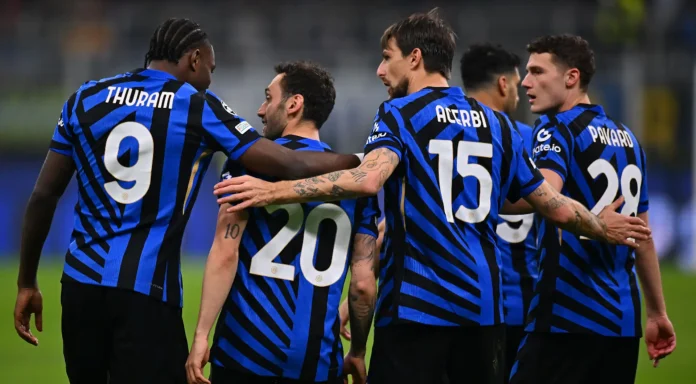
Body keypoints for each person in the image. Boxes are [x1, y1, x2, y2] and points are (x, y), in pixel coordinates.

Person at [213, 10, 650, 384]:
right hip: (486, 315)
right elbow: (548, 203)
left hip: (418, 309)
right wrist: (598, 224)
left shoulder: (400, 114)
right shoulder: (496, 123)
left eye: (388, 59)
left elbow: (368, 180)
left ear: (416, 58)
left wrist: (275, 189)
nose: (381, 72)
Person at [13, 18, 361, 384]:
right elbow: (288, 161)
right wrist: (360, 162)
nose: (210, 78)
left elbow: (43, 196)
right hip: (148, 291)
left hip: (80, 287)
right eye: (210, 68)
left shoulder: (85, 97)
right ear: (194, 59)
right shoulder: (197, 106)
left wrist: (26, 282)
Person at [185, 61, 379, 384]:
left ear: (294, 104)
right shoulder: (355, 184)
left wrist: (202, 334)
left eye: (268, 97)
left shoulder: (249, 163)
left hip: (245, 356)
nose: (261, 110)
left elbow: (225, 252)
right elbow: (362, 284)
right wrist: (357, 351)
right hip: (318, 364)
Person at [507, 34, 676, 384]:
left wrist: (481, 197)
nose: (526, 82)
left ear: (571, 77)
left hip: (566, 318)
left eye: (538, 72)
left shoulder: (555, 130)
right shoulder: (629, 139)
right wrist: (657, 313)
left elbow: (544, 194)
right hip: (621, 325)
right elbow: (642, 236)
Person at [459, 43, 538, 380]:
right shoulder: (528, 138)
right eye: (518, 85)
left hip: (460, 302)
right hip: (523, 304)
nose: (520, 95)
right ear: (503, 84)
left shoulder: (446, 135)